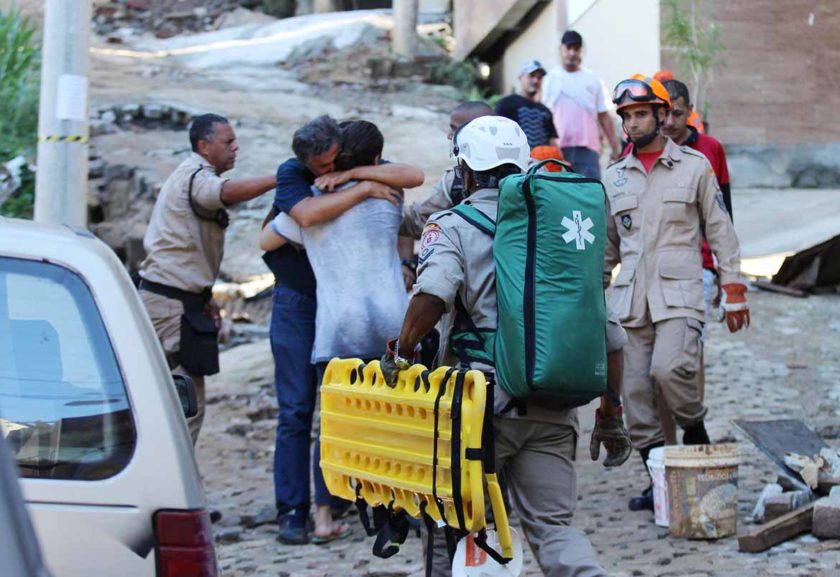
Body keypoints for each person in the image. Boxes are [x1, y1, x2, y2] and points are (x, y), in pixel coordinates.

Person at [382, 116, 623, 577]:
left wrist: (402, 351)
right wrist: (611, 414)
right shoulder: (559, 230)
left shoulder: (452, 224)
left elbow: (431, 294)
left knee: (458, 531)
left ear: (464, 171)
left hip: (479, 410)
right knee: (555, 530)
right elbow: (608, 333)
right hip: (552, 404)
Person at [266, 115, 422, 545]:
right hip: (388, 320)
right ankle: (393, 508)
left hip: (336, 322)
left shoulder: (319, 193)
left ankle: (319, 515)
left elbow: (269, 239)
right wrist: (366, 186)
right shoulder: (385, 191)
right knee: (391, 418)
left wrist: (350, 185)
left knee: (329, 421)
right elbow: (412, 181)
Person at [602, 75, 750, 512]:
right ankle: (659, 483)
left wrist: (734, 287)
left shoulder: (694, 167)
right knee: (636, 397)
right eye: (626, 116)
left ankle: (696, 432)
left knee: (669, 372)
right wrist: (591, 301)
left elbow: (722, 231)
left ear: (662, 115)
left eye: (641, 113)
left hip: (681, 295)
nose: (632, 123)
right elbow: (608, 248)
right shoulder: (612, 179)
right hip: (630, 303)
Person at [139, 113, 276, 445]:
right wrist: (280, 178)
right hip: (171, 307)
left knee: (175, 399)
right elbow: (224, 193)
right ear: (204, 145)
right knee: (184, 404)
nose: (235, 147)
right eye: (227, 142)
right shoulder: (196, 176)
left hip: (181, 301)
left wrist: (205, 296)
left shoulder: (191, 175)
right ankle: (171, 486)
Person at [541, 30, 621, 179]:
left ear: (582, 51)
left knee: (590, 195)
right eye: (568, 48)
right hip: (557, 151)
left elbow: (604, 116)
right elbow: (543, 117)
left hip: (588, 151)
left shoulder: (594, 80)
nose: (572, 53)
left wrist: (615, 148)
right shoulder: (550, 79)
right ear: (561, 49)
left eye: (576, 48)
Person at [494, 60, 559, 148]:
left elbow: (552, 141)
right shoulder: (506, 104)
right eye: (531, 76)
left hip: (542, 160)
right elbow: (495, 134)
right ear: (520, 77)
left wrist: (560, 160)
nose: (535, 80)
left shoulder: (545, 111)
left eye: (539, 77)